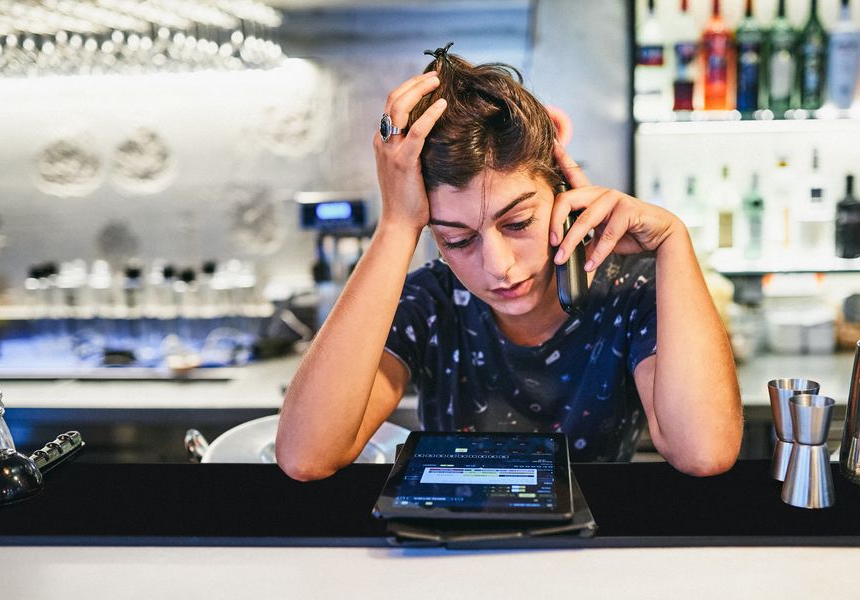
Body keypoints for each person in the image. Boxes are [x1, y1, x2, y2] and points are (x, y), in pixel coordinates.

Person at [276, 44, 742, 481]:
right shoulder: (430, 302)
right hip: (453, 554)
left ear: (562, 190)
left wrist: (673, 241)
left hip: (590, 559)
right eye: (458, 240)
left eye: (518, 223)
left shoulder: (632, 293)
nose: (498, 266)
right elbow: (306, 456)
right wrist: (397, 224)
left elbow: (705, 453)